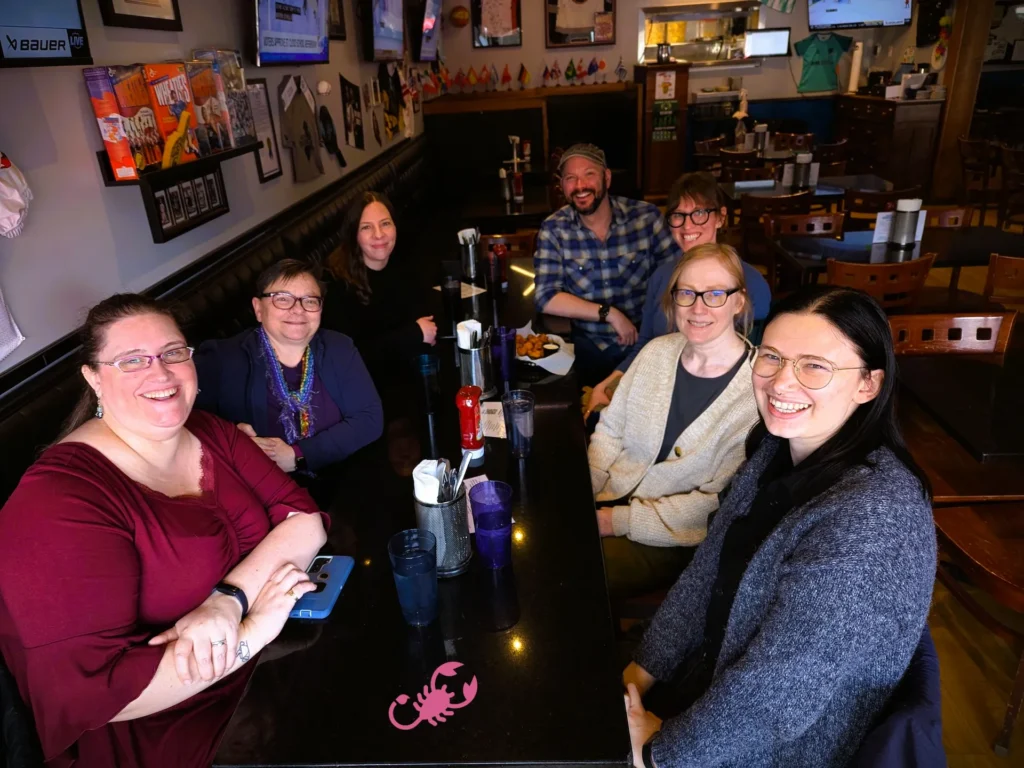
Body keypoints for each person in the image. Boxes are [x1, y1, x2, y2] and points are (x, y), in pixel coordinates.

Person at [0, 294, 329, 767]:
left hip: (266, 675)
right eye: (132, 360)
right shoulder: (58, 501)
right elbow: (92, 694)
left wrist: (227, 601)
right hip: (172, 733)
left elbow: (305, 521)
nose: (160, 373)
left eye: (173, 352)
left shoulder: (211, 432)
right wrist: (251, 631)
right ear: (94, 378)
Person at [621, 285, 936, 768]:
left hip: (774, 749)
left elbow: (781, 692)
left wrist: (661, 754)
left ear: (868, 384)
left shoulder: (873, 516)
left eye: (815, 366)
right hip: (713, 684)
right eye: (771, 357)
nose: (781, 383)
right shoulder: (774, 449)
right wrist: (641, 671)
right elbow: (709, 571)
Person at [588, 244, 759, 600]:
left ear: (739, 301)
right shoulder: (656, 352)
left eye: (714, 294)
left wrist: (615, 521)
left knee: (576, 571)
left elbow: (715, 504)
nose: (698, 308)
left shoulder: (757, 393)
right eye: (686, 293)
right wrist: (589, 488)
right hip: (608, 498)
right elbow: (609, 430)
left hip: (673, 536)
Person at [586, 172, 772, 417]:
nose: (687, 226)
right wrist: (610, 382)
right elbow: (645, 344)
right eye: (678, 216)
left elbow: (751, 362)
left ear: (720, 218)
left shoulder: (750, 284)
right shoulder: (661, 277)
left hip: (712, 403)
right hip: (654, 387)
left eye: (699, 213)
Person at [194, 259, 383, 482]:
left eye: (310, 301)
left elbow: (370, 419)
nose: (297, 310)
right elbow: (189, 429)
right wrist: (231, 438)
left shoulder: (338, 347)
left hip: (341, 480)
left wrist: (298, 455)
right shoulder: (220, 360)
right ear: (258, 308)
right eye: (282, 299)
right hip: (259, 488)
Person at [533, 143, 678, 387]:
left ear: (606, 178)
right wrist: (609, 314)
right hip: (589, 346)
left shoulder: (646, 218)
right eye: (571, 178)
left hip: (646, 342)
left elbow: (675, 276)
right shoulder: (553, 229)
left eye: (589, 174)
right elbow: (545, 296)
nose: (580, 186)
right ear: (563, 186)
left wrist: (653, 332)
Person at [321, 191, 437, 392]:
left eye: (385, 223)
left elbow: (426, 318)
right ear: (354, 234)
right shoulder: (337, 285)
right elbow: (351, 357)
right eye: (367, 227)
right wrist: (413, 335)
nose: (379, 234)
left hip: (404, 377)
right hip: (364, 392)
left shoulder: (403, 262)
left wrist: (417, 334)